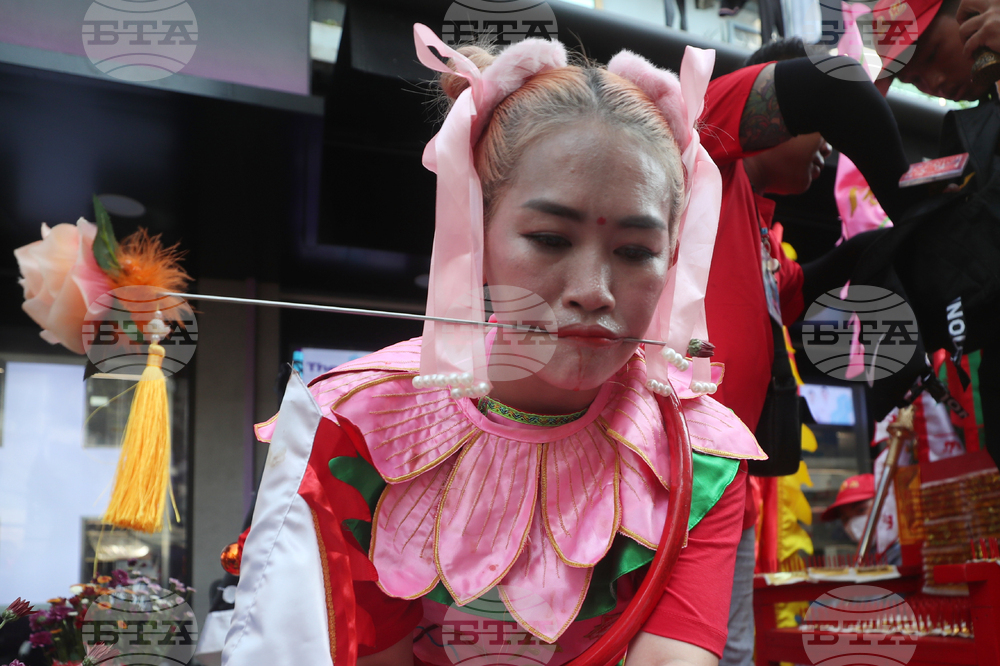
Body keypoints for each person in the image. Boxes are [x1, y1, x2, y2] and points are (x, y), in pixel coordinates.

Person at [223, 25, 768, 666]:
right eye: (549, 239)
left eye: (635, 252)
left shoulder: (699, 455)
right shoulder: (354, 430)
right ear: (473, 225)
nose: (593, 291)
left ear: (673, 257)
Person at [697, 39, 915, 666]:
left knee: (728, 652)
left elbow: (797, 287)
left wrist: (880, 247)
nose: (830, 146)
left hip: (726, 484)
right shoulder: (704, 140)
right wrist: (909, 199)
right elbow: (833, 81)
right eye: (817, 131)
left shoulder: (763, 229)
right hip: (667, 472)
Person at [819, 473, 902, 565]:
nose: (853, 524)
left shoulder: (906, 553)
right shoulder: (868, 556)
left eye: (861, 510)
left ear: (887, 504)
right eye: (846, 519)